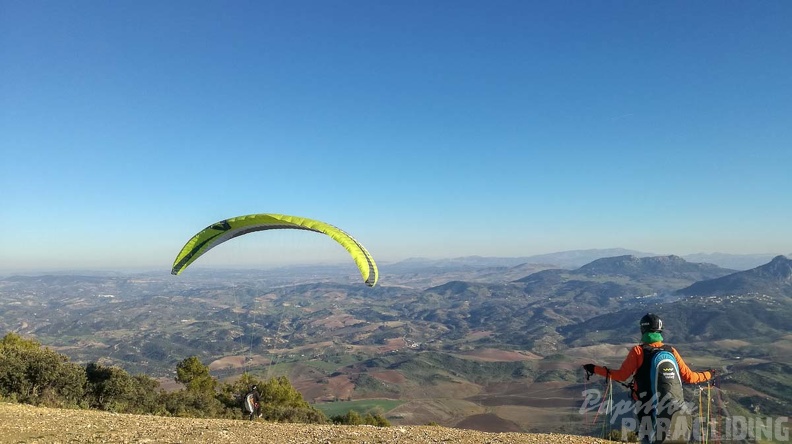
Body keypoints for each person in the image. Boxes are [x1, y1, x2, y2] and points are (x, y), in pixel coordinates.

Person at [583, 313, 717, 444]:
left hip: (646, 405)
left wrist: (594, 369)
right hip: (672, 406)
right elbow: (690, 377)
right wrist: (709, 374)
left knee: (647, 437)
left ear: (643, 329)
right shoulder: (671, 351)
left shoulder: (638, 351)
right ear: (660, 330)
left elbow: (621, 376)